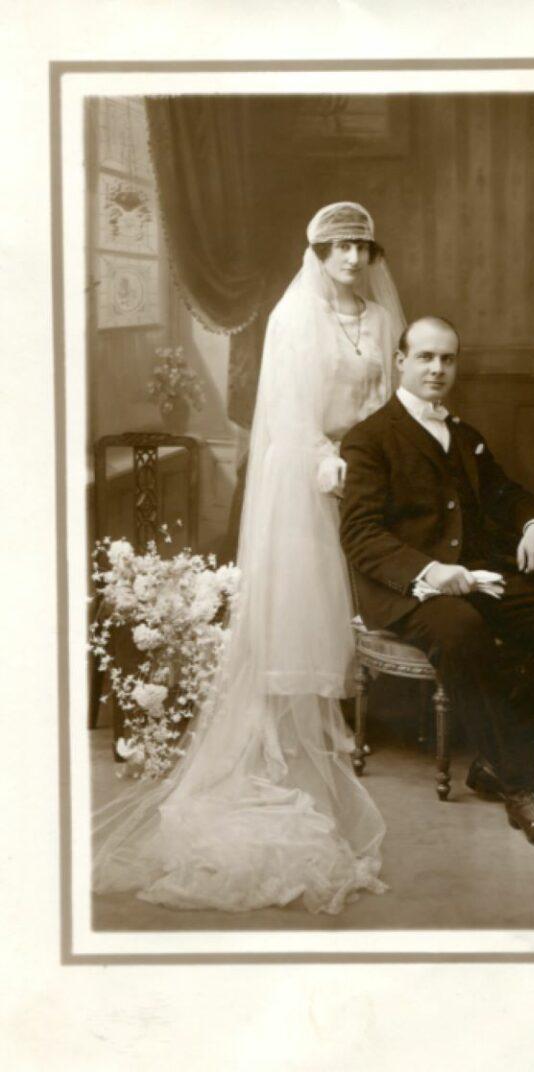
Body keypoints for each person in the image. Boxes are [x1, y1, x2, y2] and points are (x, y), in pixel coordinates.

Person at [92, 202, 406, 913]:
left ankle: (348, 721)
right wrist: (328, 464)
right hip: (308, 474)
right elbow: (292, 414)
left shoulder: (384, 320)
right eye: (339, 247)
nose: (353, 258)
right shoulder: (295, 319)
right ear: (317, 255)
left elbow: (386, 400)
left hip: (367, 472)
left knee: (361, 591)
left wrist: (372, 464)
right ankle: (300, 732)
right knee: (310, 598)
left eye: (362, 245)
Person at [339, 316, 534, 850]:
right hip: (410, 590)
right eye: (426, 357)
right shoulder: (369, 439)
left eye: (448, 359)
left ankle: (498, 760)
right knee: (462, 632)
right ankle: (522, 789)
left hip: (476, 576)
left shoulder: (464, 435)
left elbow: (507, 493)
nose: (437, 369)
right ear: (401, 362)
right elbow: (360, 534)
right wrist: (429, 571)